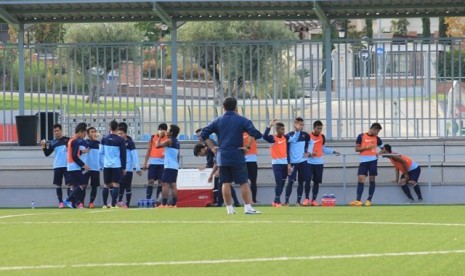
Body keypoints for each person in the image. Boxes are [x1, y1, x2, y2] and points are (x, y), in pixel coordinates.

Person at [200, 97, 262, 215]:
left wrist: (213, 147)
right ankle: (248, 208)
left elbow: (203, 134)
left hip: (222, 155)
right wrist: (247, 147)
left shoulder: (217, 120)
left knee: (225, 182)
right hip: (237, 154)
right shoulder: (242, 120)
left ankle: (229, 209)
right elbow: (254, 133)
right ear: (236, 107)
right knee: (243, 182)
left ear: (223, 107)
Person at [304, 120, 340, 206]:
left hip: (319, 162)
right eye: (317, 128)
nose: (319, 130)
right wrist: (309, 154)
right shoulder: (308, 137)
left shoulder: (322, 137)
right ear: (314, 128)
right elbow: (303, 149)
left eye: (320, 129)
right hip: (308, 162)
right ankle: (306, 199)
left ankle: (314, 200)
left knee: (316, 182)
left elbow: (322, 148)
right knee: (308, 180)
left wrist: (333, 151)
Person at [193, 142, 240, 207]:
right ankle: (236, 202)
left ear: (201, 149)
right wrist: (205, 167)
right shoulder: (209, 152)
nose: (201, 155)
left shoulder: (211, 150)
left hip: (223, 167)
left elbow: (217, 161)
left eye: (200, 154)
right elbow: (210, 164)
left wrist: (217, 170)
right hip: (224, 166)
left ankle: (220, 204)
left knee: (221, 185)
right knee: (227, 184)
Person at [350, 122, 384, 207]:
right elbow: (356, 149)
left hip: (373, 161)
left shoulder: (377, 139)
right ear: (373, 129)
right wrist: (367, 147)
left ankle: (369, 200)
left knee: (372, 179)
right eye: (377, 131)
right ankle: (358, 200)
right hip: (363, 161)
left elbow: (384, 149)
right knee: (361, 179)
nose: (377, 133)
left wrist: (378, 153)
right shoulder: (361, 136)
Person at [40, 124, 70, 208]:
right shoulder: (53, 142)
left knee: (69, 184)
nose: (56, 132)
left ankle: (69, 201)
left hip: (67, 165)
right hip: (57, 166)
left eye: (57, 130)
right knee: (58, 185)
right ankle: (60, 202)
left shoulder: (67, 140)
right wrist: (43, 145)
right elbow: (47, 153)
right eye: (55, 131)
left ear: (61, 131)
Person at [284, 117, 310, 206]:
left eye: (302, 124)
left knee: (301, 181)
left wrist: (309, 152)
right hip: (293, 162)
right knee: (290, 181)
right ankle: (286, 202)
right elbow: (286, 150)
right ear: (295, 124)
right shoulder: (288, 135)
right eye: (299, 124)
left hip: (303, 162)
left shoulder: (305, 135)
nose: (301, 126)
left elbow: (311, 142)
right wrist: (288, 163)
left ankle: (298, 201)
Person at [100, 120, 126, 208]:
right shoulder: (120, 140)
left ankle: (104, 204)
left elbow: (101, 152)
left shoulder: (104, 139)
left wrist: (102, 164)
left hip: (106, 165)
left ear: (109, 127)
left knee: (106, 184)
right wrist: (123, 167)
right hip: (116, 165)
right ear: (117, 128)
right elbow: (123, 154)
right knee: (116, 184)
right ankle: (113, 204)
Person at [63, 123, 90, 208]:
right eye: (84, 133)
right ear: (81, 132)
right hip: (74, 167)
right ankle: (68, 200)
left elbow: (75, 153)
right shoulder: (75, 141)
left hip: (70, 166)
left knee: (74, 186)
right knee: (83, 184)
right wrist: (83, 165)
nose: (85, 135)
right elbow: (74, 156)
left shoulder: (71, 140)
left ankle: (72, 203)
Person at [262, 119, 289, 207]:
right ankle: (278, 201)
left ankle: (275, 201)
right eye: (281, 129)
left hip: (285, 164)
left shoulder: (286, 138)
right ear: (277, 130)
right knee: (278, 182)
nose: (283, 131)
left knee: (282, 183)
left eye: (284, 129)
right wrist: (269, 126)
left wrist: (289, 164)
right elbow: (264, 136)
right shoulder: (272, 138)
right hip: (276, 164)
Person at [117, 123, 143, 208]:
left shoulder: (130, 143)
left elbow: (134, 155)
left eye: (121, 133)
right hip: (119, 168)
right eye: (118, 133)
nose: (120, 135)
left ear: (125, 134)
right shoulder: (117, 143)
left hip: (128, 168)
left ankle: (127, 204)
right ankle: (119, 202)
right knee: (120, 185)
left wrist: (137, 168)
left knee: (127, 186)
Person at [156, 124, 180, 207]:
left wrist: (160, 136)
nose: (167, 131)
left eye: (169, 130)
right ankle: (174, 204)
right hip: (175, 165)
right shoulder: (176, 141)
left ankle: (164, 203)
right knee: (173, 185)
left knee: (165, 184)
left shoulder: (169, 140)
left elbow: (157, 145)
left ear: (172, 132)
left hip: (169, 165)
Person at [143, 123, 168, 205]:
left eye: (163, 130)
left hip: (163, 163)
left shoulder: (168, 138)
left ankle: (158, 201)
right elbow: (148, 150)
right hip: (153, 162)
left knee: (161, 182)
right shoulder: (153, 137)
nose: (161, 132)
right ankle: (148, 200)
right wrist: (145, 162)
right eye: (160, 129)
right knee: (150, 181)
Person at [81, 126, 102, 208]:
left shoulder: (98, 143)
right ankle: (81, 203)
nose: (93, 133)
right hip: (86, 167)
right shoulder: (86, 142)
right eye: (91, 132)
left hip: (96, 168)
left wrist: (101, 165)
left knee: (94, 186)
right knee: (83, 185)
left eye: (94, 131)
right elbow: (88, 146)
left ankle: (91, 203)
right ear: (88, 134)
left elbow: (101, 155)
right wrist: (94, 139)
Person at [243, 131, 259, 203]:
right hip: (245, 161)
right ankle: (251, 200)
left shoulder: (252, 133)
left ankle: (252, 200)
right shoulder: (252, 133)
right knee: (248, 182)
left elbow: (260, 135)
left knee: (249, 182)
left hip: (248, 161)